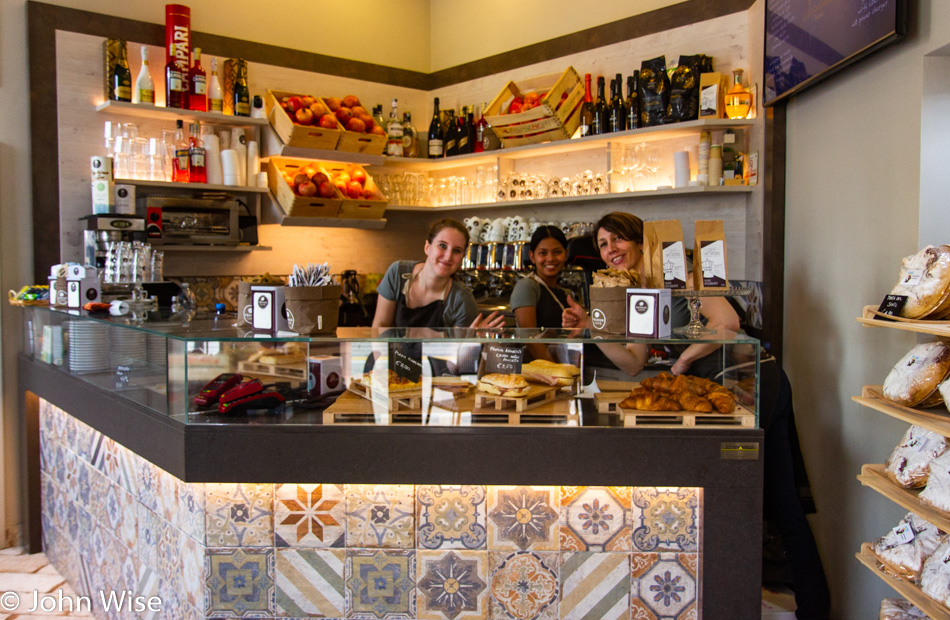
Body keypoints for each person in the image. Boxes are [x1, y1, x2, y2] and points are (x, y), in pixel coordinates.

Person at [562, 211, 740, 379]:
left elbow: (727, 322)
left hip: (735, 373)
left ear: (640, 242)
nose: (611, 248)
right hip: (699, 378)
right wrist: (591, 326)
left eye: (618, 238)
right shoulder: (636, 292)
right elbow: (633, 364)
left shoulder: (674, 270)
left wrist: (684, 360)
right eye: (603, 244)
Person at [373, 218, 505, 329]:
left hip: (435, 360)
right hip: (390, 358)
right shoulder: (398, 273)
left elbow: (457, 357)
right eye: (442, 246)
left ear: (462, 258)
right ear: (427, 247)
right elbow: (380, 327)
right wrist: (381, 360)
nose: (448, 257)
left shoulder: (461, 299)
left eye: (457, 251)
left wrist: (470, 341)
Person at [510, 226, 571, 329]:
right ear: (532, 257)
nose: (550, 258)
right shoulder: (526, 287)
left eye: (557, 252)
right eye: (543, 253)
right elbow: (530, 340)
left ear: (566, 254)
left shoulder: (566, 293)